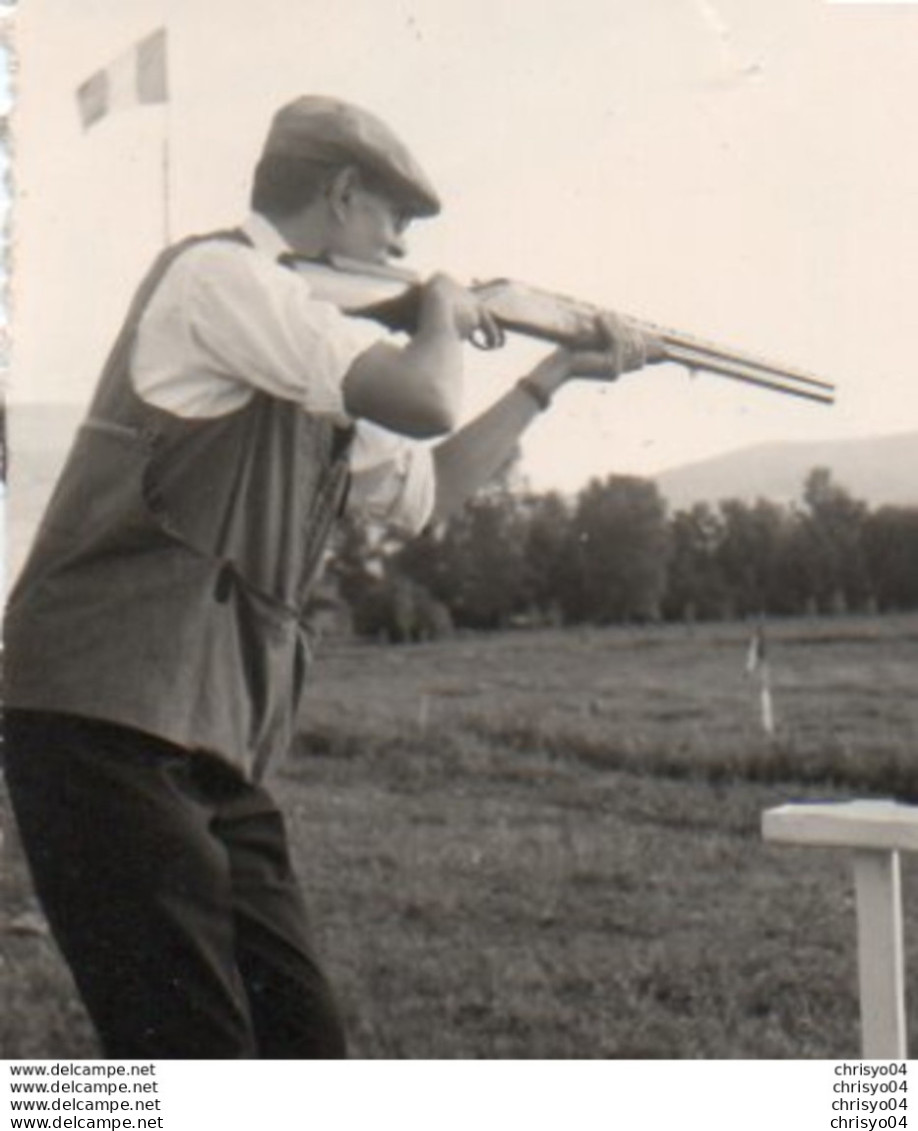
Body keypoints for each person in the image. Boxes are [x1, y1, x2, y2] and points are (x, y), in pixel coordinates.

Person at [3, 95, 659, 1058]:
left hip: (212, 738)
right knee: (193, 1055)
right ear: (342, 192)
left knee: (307, 1047)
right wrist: (440, 307)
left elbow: (424, 491)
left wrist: (549, 375)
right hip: (102, 719)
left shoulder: (305, 340)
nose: (402, 246)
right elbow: (429, 394)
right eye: (396, 220)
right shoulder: (223, 278)